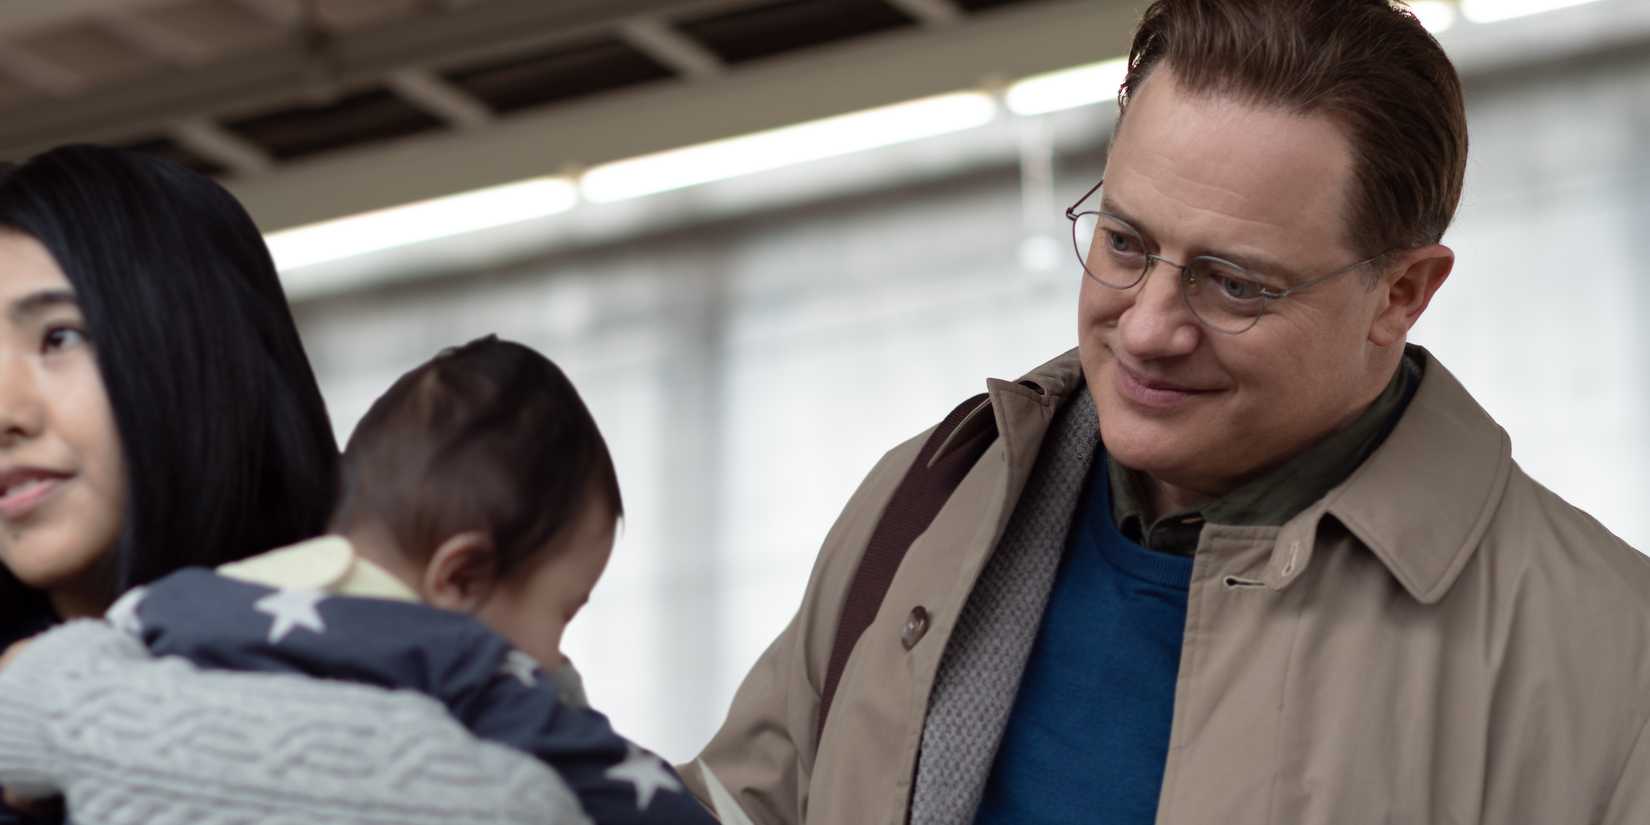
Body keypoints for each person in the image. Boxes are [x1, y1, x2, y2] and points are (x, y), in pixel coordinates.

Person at [680, 2, 1650, 824]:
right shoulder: (932, 500)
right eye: (1127, 243)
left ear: (1402, 293)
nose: (1146, 330)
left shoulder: (1613, 665)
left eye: (1235, 285)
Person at [0, 146, 563, 825]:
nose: (7, 411)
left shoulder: (432, 658)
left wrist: (65, 704)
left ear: (199, 352)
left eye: (60, 337)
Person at [98, 335, 713, 825]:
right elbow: (625, 791)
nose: (556, 653)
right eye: (563, 612)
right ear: (460, 575)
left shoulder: (166, 607)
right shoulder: (461, 664)